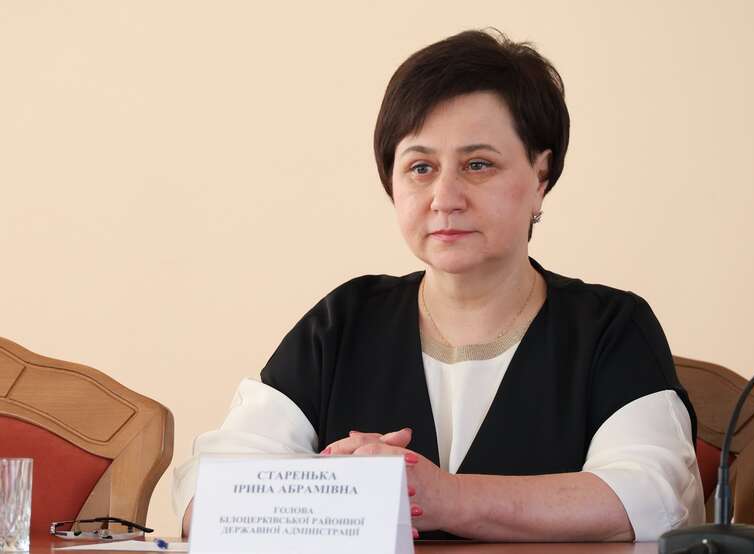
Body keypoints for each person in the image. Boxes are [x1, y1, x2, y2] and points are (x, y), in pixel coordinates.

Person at [172, 29, 704, 542]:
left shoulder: (611, 328)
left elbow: (649, 498)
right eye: (421, 167)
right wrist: (335, 486)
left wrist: (443, 497)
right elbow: (208, 492)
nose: (445, 197)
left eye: (478, 164)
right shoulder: (344, 321)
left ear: (541, 177)